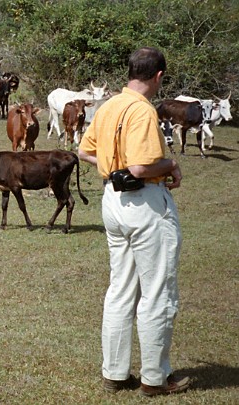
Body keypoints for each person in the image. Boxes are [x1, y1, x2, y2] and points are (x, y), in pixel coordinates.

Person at [78, 47, 190, 397]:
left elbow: (83, 149)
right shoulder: (142, 111)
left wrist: (113, 168)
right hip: (144, 204)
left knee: (121, 289)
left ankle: (114, 372)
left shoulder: (109, 104)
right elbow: (142, 168)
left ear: (130, 72)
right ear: (158, 76)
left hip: (113, 202)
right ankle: (155, 379)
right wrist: (170, 166)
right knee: (157, 293)